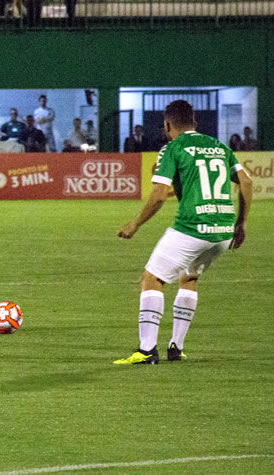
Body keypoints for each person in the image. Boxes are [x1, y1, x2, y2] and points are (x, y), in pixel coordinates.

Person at [114, 100, 252, 365]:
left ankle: (146, 351)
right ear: (195, 122)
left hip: (193, 225)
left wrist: (135, 223)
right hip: (222, 230)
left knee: (151, 279)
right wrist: (241, 223)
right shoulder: (219, 147)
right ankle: (176, 348)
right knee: (188, 278)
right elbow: (246, 181)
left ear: (167, 125)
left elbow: (157, 196)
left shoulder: (173, 148)